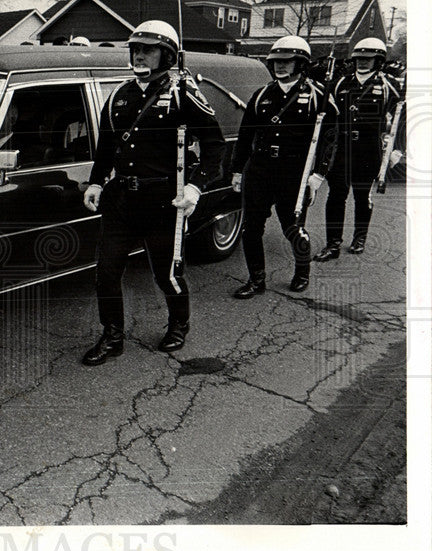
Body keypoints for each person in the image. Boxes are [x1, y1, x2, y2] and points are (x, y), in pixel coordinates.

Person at [81, 20, 224, 365]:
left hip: (164, 202)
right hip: (122, 201)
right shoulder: (118, 95)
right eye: (136, 49)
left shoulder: (183, 92)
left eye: (149, 49)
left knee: (167, 273)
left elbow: (214, 143)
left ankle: (179, 324)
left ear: (168, 55)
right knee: (106, 272)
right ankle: (112, 336)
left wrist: (195, 186)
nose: (140, 55)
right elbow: (106, 147)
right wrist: (97, 181)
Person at [230, 36, 338, 298]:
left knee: (293, 227)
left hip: (294, 172)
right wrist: (236, 171)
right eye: (276, 61)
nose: (280, 66)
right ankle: (256, 280)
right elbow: (245, 135)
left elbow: (331, 138)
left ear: (300, 63)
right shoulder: (262, 95)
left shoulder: (318, 95)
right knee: (251, 228)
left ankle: (302, 272)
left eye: (286, 61)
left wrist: (319, 174)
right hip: (260, 169)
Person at [314, 38, 402, 259]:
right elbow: (327, 119)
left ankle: (359, 237)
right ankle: (333, 243)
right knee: (336, 196)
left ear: (378, 61)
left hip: (369, 148)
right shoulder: (340, 83)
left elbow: (402, 119)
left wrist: (397, 148)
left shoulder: (389, 85)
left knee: (362, 196)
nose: (362, 62)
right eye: (359, 58)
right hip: (342, 148)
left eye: (368, 58)